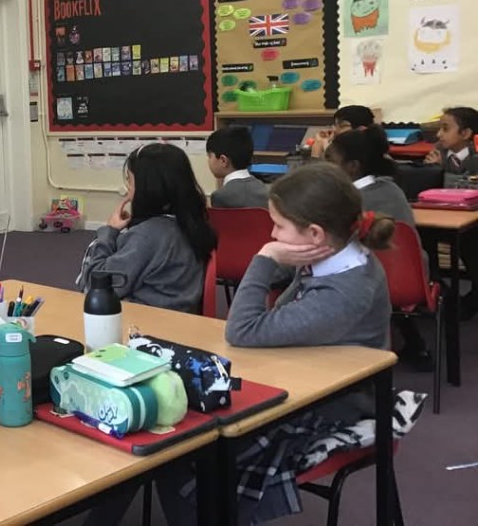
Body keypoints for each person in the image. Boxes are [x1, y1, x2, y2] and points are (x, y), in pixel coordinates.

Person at [160, 164, 393, 526]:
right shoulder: (329, 256)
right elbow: (270, 318)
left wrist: (266, 257)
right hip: (304, 377)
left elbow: (242, 330)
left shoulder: (344, 292)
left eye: (279, 226)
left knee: (183, 445)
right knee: (181, 426)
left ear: (315, 233)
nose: (272, 234)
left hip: (332, 408)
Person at [327, 125, 433, 370]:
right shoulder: (392, 189)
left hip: (363, 286)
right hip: (409, 282)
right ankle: (413, 343)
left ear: (352, 166)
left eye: (331, 161)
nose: (326, 167)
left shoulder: (344, 200)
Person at [76, 143, 217, 313]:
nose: (127, 188)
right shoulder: (191, 223)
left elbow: (95, 287)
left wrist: (109, 232)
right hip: (180, 316)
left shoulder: (148, 237)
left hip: (146, 321)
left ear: (147, 188)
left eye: (129, 180)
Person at [424, 106, 478, 318]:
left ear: (465, 133)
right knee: (425, 240)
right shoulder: (438, 155)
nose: (439, 134)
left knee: (471, 247)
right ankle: (439, 288)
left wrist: (442, 170)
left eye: (445, 129)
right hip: (442, 216)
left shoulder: (474, 158)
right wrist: (431, 170)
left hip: (470, 219)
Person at [206, 126, 269, 209]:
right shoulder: (265, 191)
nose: (208, 161)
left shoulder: (220, 196)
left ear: (223, 160)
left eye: (210, 156)